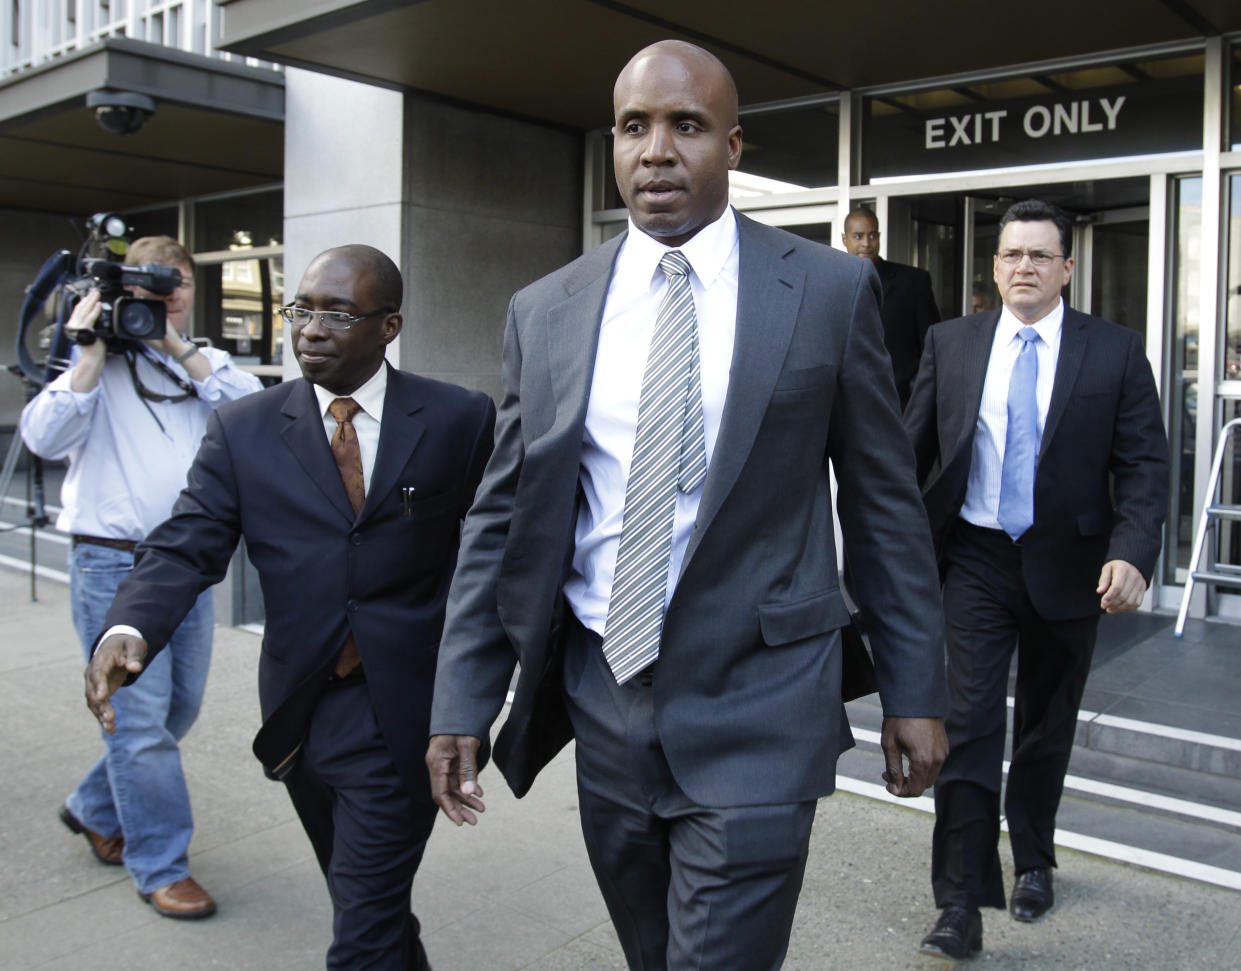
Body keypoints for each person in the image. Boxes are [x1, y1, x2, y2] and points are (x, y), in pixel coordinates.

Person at [426, 40, 948, 970]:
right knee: (652, 952)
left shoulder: (826, 290)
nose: (656, 150)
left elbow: (882, 503)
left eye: (686, 126)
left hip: (763, 697)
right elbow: (501, 517)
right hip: (603, 698)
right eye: (634, 126)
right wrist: (463, 694)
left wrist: (913, 686)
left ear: (734, 146)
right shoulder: (545, 308)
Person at [83, 244, 496, 968]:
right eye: (300, 309)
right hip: (302, 714)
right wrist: (131, 623)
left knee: (360, 933)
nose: (308, 328)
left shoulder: (458, 418)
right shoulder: (242, 429)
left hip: (406, 714)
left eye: (337, 313)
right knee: (366, 900)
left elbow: (496, 554)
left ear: (388, 326)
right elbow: (187, 543)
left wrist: (475, 697)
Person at [903, 200, 1169, 960]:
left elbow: (1143, 464)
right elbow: (906, 452)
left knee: (1046, 730)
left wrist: (1132, 550)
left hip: (1071, 569)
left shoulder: (1112, 351)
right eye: (1011, 254)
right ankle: (957, 899)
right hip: (977, 562)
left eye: (1039, 255)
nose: (1024, 266)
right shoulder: (949, 343)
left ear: (1065, 268)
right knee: (969, 724)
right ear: (994, 266)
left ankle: (1035, 859)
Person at [20, 235, 261, 919]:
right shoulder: (92, 360)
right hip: (112, 564)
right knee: (140, 722)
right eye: (149, 286)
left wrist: (173, 348)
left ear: (189, 290)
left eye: (175, 282)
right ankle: (158, 861)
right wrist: (90, 353)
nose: (164, 296)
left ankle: (91, 805)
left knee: (176, 708)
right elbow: (41, 438)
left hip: (185, 566)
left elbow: (254, 411)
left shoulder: (200, 360)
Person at [841, 206, 939, 407]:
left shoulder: (913, 281)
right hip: (847, 402)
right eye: (858, 236)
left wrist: (917, 390)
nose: (866, 244)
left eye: (872, 235)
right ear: (845, 239)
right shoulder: (831, 282)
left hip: (899, 400)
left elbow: (931, 343)